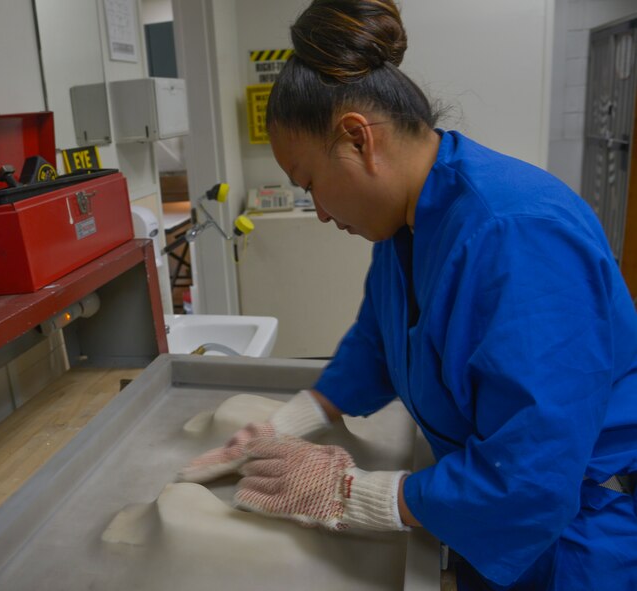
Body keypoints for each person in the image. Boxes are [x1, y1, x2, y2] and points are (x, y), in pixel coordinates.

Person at [178, 1, 637, 589]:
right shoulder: (410, 226)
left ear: (356, 139)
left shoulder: (518, 235)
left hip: (579, 542)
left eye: (311, 183)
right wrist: (294, 422)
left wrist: (355, 494)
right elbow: (381, 343)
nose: (317, 211)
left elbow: (533, 470)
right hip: (489, 525)